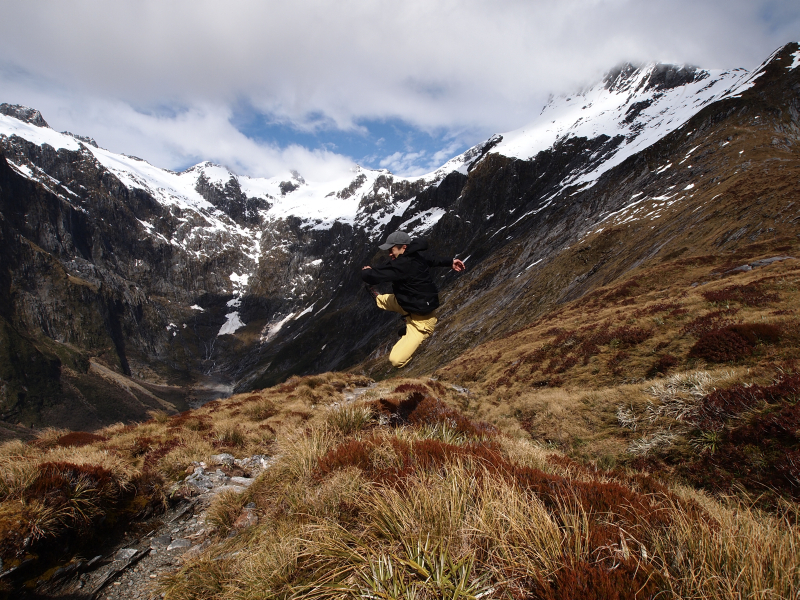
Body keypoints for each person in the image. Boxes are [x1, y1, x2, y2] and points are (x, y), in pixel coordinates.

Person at [361, 231, 465, 368]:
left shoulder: (402, 264)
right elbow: (432, 259)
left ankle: (409, 331)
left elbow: (372, 277)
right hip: (408, 303)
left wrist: (366, 271)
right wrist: (450, 262)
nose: (390, 254)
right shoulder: (416, 255)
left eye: (392, 250)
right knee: (384, 301)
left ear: (403, 247)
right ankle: (392, 307)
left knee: (396, 360)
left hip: (422, 322)